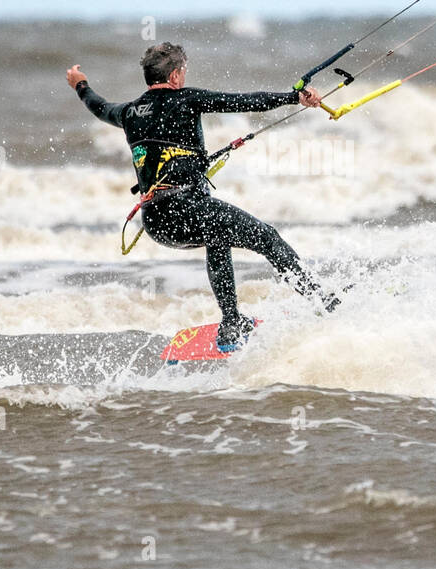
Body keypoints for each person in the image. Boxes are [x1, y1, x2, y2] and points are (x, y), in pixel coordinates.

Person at [68, 41, 339, 351]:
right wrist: (294, 97)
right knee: (268, 238)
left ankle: (232, 320)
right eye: (183, 71)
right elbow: (245, 102)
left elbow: (98, 105)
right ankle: (324, 301)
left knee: (217, 235)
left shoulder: (128, 112)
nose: (184, 76)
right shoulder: (186, 98)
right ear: (174, 77)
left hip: (156, 222)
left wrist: (81, 85)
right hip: (189, 207)